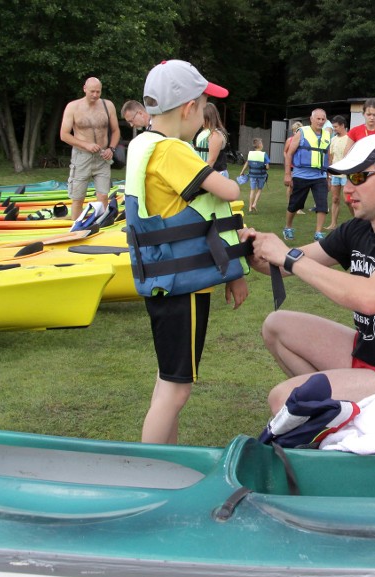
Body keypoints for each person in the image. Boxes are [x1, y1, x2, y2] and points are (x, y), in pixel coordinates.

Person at [243, 134, 375, 420]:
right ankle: (337, 415)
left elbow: (369, 298)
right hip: (367, 354)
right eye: (346, 178)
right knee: (276, 326)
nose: (348, 189)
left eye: (358, 177)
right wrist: (254, 251)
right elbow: (280, 266)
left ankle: (336, 415)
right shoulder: (358, 229)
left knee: (284, 400)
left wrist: (288, 256)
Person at [125, 59, 249, 444]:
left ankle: (166, 462)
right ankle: (152, 473)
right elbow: (230, 191)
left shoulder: (142, 145)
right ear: (188, 108)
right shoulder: (172, 152)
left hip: (166, 279)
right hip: (183, 286)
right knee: (176, 390)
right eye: (203, 103)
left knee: (168, 383)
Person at [59, 77, 121, 220]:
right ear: (84, 89)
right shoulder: (73, 107)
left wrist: (111, 149)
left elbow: (116, 131)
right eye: (92, 91)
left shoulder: (108, 105)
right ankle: (76, 228)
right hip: (82, 156)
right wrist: (86, 144)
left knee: (103, 195)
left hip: (103, 156)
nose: (95, 95)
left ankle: (102, 225)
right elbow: (64, 135)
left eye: (98, 92)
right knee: (78, 197)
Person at [283, 109, 331, 241]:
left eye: (323, 119)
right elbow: (289, 154)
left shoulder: (327, 135)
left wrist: (328, 177)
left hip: (320, 176)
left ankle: (318, 233)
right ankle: (288, 227)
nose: (320, 121)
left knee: (322, 205)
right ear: (311, 119)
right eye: (318, 119)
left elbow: (327, 157)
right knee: (295, 205)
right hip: (301, 175)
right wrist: (288, 174)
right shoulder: (302, 132)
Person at [326, 115, 349, 230]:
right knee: (335, 199)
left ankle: (358, 221)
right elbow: (330, 157)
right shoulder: (333, 139)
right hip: (335, 174)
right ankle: (333, 224)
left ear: (342, 125)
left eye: (335, 126)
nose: (334, 129)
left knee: (348, 200)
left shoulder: (350, 138)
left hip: (346, 174)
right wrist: (329, 174)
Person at [195, 103, 229, 177]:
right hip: (205, 173)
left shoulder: (215, 135)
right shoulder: (205, 132)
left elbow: (211, 160)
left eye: (201, 117)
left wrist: (199, 177)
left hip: (215, 175)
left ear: (207, 117)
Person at [239, 138, 270, 212]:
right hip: (261, 175)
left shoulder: (250, 154)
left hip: (252, 175)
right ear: (259, 145)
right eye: (262, 143)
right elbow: (267, 167)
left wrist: (242, 171)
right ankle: (254, 204)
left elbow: (247, 163)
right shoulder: (264, 154)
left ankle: (250, 207)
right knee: (259, 189)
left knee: (252, 190)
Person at [284, 121, 306, 215]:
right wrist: (288, 161)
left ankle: (298, 207)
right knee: (291, 186)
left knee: (300, 186)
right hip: (292, 166)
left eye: (297, 131)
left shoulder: (304, 140)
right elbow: (285, 152)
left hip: (301, 166)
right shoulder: (290, 140)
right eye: (294, 131)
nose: (295, 133)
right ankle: (291, 205)